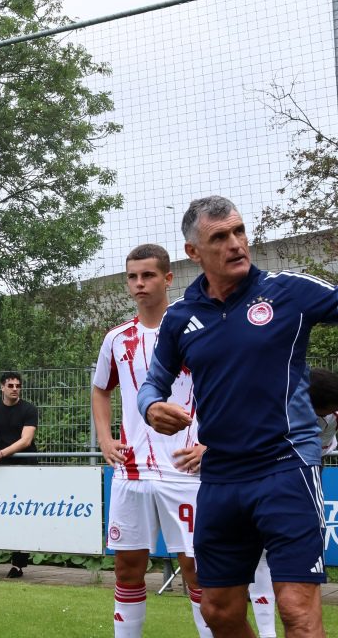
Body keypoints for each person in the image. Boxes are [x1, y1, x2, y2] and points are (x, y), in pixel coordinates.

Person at [138, 195, 338, 638]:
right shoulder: (180, 317)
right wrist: (150, 407)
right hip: (221, 476)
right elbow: (154, 381)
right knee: (218, 612)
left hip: (286, 469)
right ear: (194, 252)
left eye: (239, 231)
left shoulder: (288, 291)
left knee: (297, 613)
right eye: (219, 237)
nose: (236, 243)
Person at [91, 243, 211, 638]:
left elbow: (226, 391)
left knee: (198, 570)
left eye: (148, 275)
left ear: (168, 278)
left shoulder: (196, 330)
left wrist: (210, 444)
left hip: (185, 469)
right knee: (127, 569)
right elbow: (100, 389)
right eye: (132, 276)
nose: (139, 283)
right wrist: (105, 439)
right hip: (132, 470)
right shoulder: (117, 338)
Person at [249, 367, 338, 638]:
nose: (333, 412)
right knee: (257, 550)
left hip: (300, 469)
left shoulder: (332, 417)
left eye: (334, 408)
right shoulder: (270, 398)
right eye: (326, 409)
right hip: (259, 466)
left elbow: (313, 456)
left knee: (287, 552)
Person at [0, 371, 38, 577]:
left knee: (24, 515)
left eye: (18, 386)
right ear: (1, 387)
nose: (14, 389)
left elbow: (26, 441)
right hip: (2, 469)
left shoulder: (29, 409)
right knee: (5, 514)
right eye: (10, 385)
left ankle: (18, 564)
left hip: (27, 468)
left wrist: (1, 453)